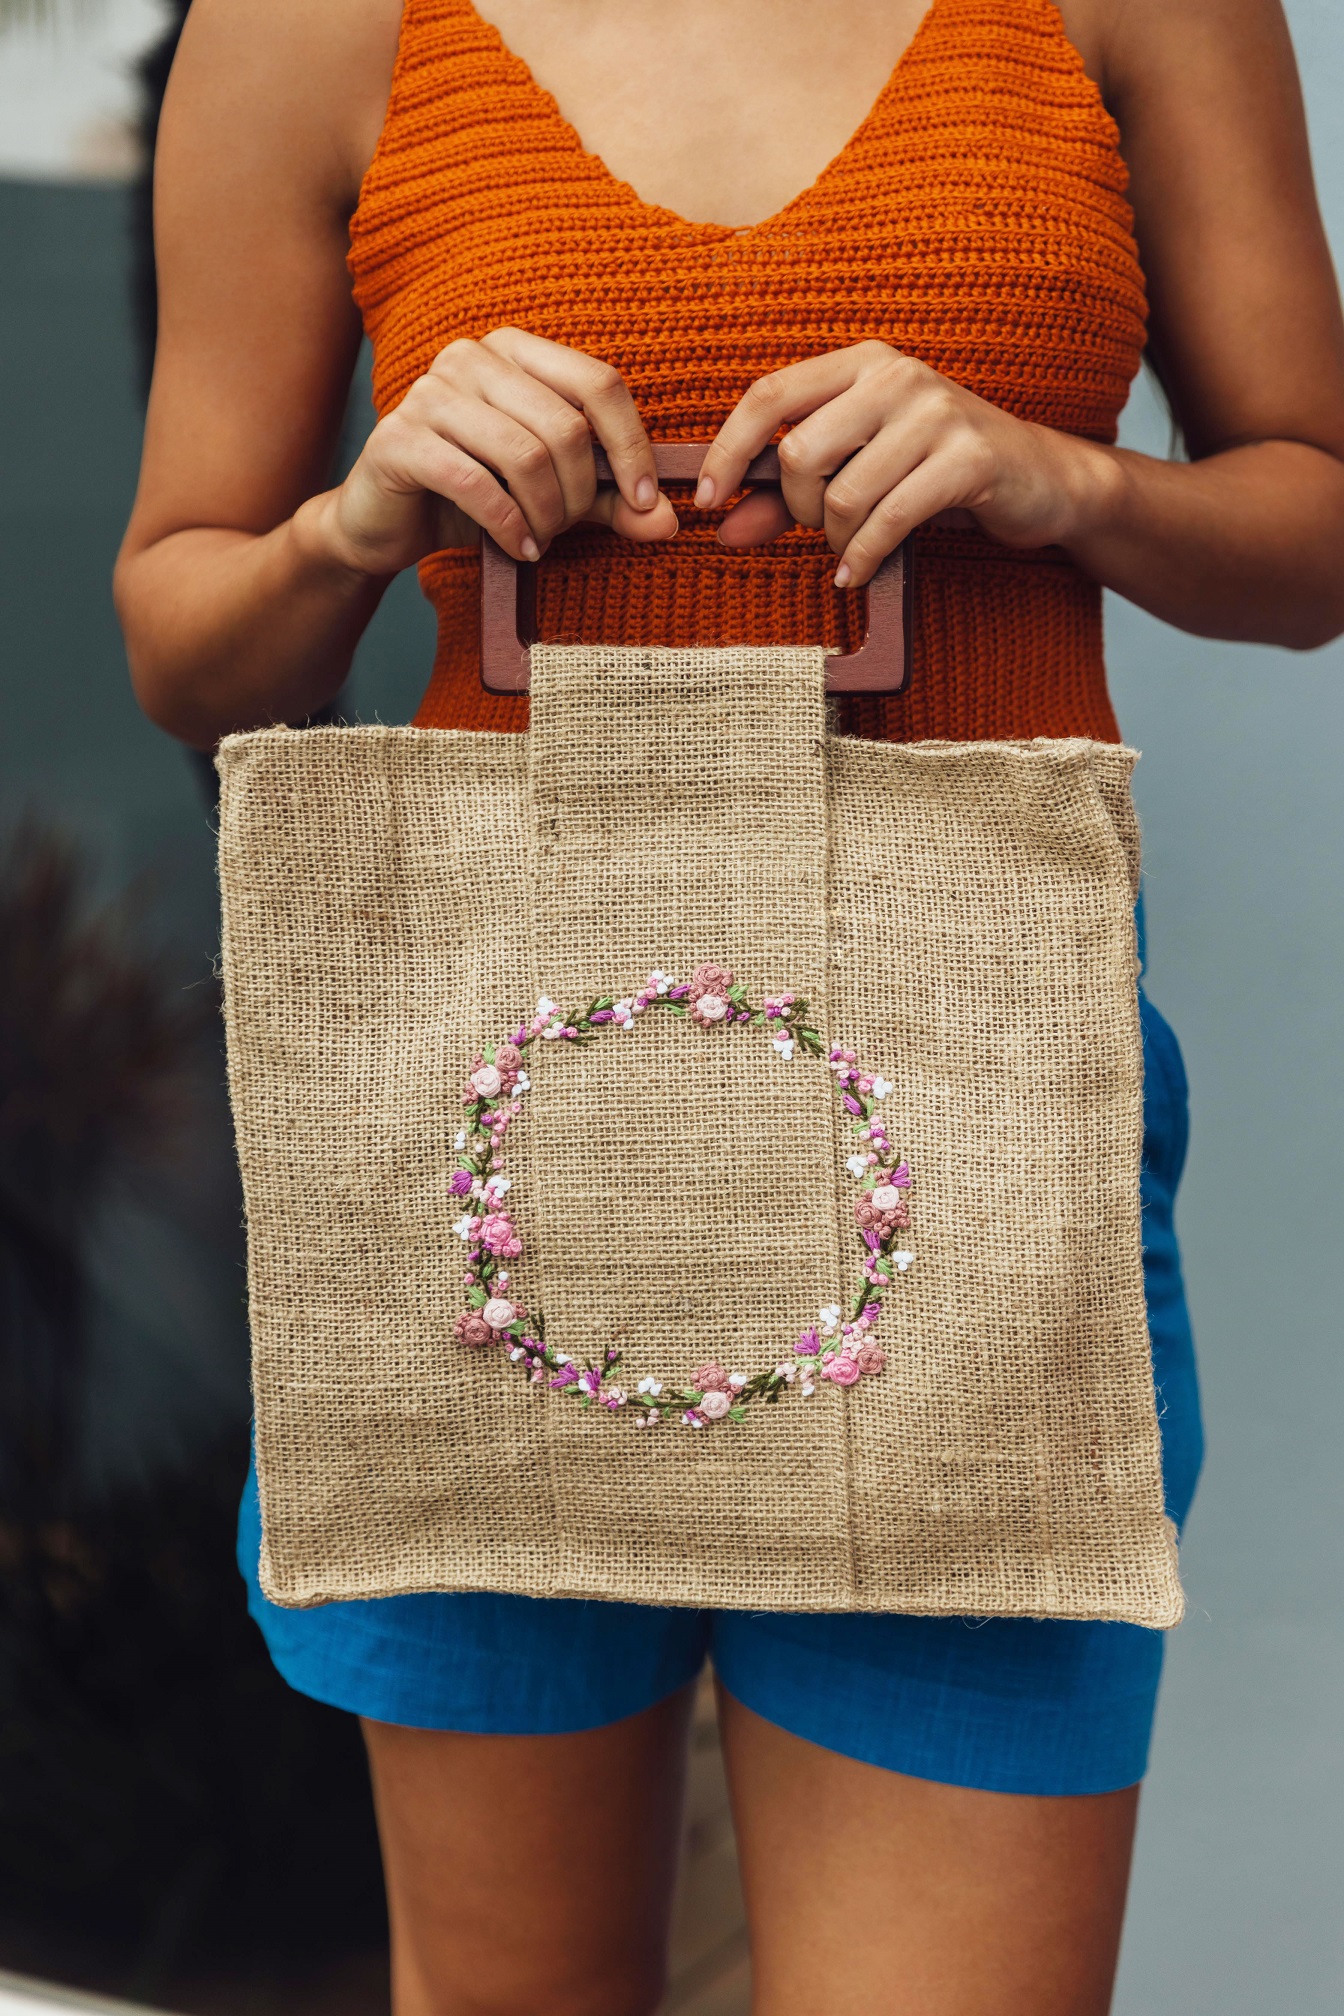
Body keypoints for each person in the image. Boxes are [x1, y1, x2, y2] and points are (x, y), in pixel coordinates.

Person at [115, 1, 1344, 2009]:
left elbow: (1315, 526)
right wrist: (361, 519)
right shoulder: (314, 25)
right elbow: (186, 644)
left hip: (981, 1147)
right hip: (481, 1151)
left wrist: (1058, 483)